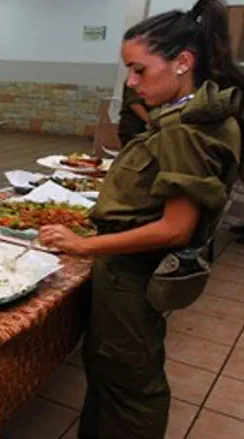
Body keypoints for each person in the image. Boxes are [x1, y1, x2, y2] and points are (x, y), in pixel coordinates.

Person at [38, 1, 244, 437]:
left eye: (139, 70)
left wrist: (84, 245)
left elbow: (176, 227)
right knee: (110, 376)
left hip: (132, 277)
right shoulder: (185, 116)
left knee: (130, 388)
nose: (131, 83)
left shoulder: (187, 128)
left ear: (183, 62)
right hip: (129, 271)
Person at [118, 82, 153, 146]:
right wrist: (152, 123)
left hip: (149, 128)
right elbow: (135, 105)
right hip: (134, 127)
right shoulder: (135, 80)